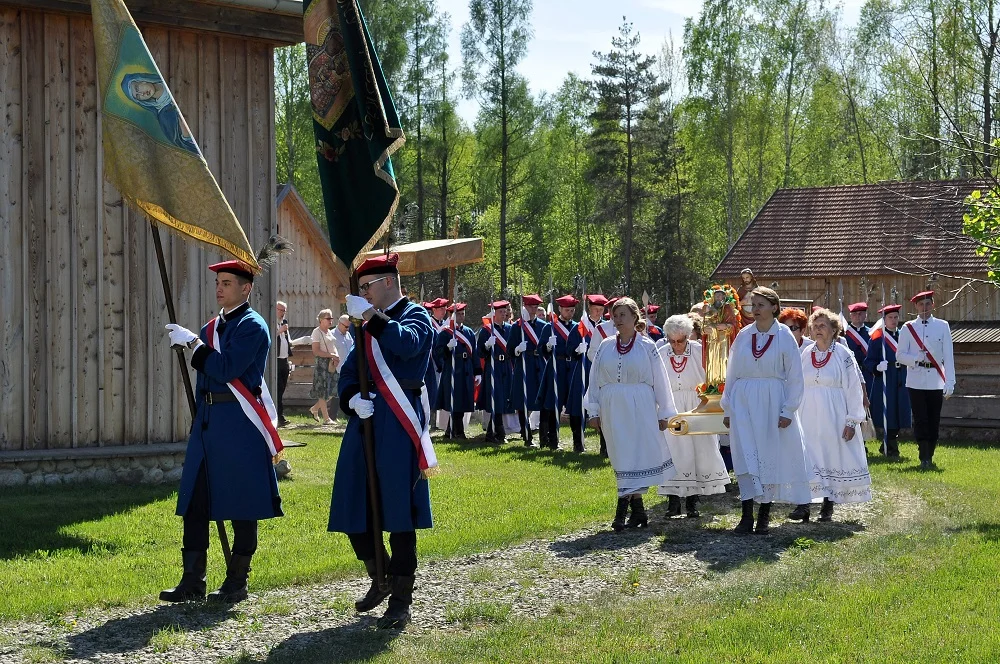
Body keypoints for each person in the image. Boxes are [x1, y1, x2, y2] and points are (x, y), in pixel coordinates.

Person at [161, 260, 283, 604]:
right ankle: (192, 581)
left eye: (227, 283)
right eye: (218, 282)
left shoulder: (253, 326)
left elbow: (226, 367)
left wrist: (195, 346)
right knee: (195, 502)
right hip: (210, 423)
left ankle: (237, 580)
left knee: (242, 502)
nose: (219, 288)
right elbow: (205, 378)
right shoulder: (212, 326)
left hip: (240, 423)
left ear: (246, 288)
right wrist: (198, 419)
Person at [330, 253, 436, 630]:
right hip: (366, 419)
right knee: (352, 500)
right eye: (360, 289)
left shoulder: (416, 314)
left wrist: (372, 318)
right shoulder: (367, 326)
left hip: (398, 421)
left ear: (388, 281)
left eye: (367, 287)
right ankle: (381, 577)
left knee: (398, 512)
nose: (363, 295)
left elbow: (406, 345)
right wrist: (350, 400)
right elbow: (348, 372)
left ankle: (401, 600)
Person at [721, 287, 812, 535]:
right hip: (744, 400)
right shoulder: (743, 335)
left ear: (774, 307)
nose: (755, 309)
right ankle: (746, 514)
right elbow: (732, 372)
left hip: (772, 400)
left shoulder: (784, 335)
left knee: (768, 455)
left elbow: (795, 376)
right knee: (746, 454)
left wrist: (788, 409)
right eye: (753, 304)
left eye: (761, 304)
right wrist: (727, 407)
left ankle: (763, 515)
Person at [585, 297, 677, 530]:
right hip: (612, 408)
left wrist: (664, 412)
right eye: (615, 315)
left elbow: (661, 381)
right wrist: (593, 410)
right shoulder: (605, 345)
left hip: (640, 406)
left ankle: (621, 510)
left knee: (634, 454)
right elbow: (594, 380)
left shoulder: (647, 346)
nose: (618, 320)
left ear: (635, 317)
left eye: (623, 315)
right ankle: (638, 511)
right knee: (620, 455)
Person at [792, 308, 871, 522]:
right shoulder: (806, 354)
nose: (817, 330)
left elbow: (854, 387)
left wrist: (852, 421)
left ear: (833, 329)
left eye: (822, 326)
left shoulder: (843, 354)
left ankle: (828, 503)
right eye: (814, 326)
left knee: (830, 455)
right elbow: (797, 384)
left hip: (834, 414)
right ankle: (804, 504)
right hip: (808, 415)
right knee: (808, 456)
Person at [657, 315, 730, 517]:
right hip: (671, 406)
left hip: (697, 404)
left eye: (680, 340)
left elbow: (714, 375)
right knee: (673, 451)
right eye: (672, 341)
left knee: (699, 449)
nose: (676, 345)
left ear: (688, 336)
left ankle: (692, 501)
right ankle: (673, 501)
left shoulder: (699, 350)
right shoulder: (661, 353)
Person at [895, 291, 955, 469]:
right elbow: (899, 356)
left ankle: (931, 452)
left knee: (933, 418)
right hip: (915, 379)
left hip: (936, 378)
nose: (924, 308)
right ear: (916, 307)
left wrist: (950, 382)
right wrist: (915, 358)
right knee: (920, 418)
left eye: (928, 304)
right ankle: (924, 456)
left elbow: (948, 356)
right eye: (921, 305)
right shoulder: (908, 327)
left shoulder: (942, 326)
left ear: (933, 305)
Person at [538, 295, 587, 452]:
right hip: (556, 367)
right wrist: (547, 346)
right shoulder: (550, 327)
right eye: (567, 310)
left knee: (574, 405)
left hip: (573, 367)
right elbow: (541, 351)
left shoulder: (578, 327)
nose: (570, 313)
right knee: (554, 405)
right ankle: (553, 440)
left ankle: (577, 441)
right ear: (560, 309)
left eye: (572, 310)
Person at [864, 305, 910, 459]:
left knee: (900, 410)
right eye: (890, 318)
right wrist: (877, 367)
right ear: (884, 320)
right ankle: (890, 445)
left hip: (901, 376)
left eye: (896, 317)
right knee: (889, 411)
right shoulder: (878, 338)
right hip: (886, 376)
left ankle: (889, 442)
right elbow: (868, 361)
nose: (893, 320)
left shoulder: (902, 336)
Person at [434, 303, 477, 439]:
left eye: (463, 313)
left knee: (464, 399)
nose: (461, 316)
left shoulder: (469, 332)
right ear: (452, 315)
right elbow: (438, 352)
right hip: (453, 368)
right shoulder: (446, 332)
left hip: (466, 369)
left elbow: (474, 353)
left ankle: (454, 430)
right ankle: (455, 430)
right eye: (458, 313)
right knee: (455, 399)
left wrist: (478, 372)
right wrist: (447, 348)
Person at [509, 295, 546, 446]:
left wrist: (548, 347)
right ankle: (527, 436)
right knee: (523, 401)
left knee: (543, 401)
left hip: (539, 364)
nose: (533, 309)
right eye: (531, 306)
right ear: (525, 306)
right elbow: (510, 350)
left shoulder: (543, 325)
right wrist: (518, 349)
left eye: (536, 306)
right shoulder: (517, 327)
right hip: (524, 364)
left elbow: (545, 348)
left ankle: (545, 437)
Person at [476, 301, 514, 443]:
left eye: (505, 312)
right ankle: (499, 431)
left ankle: (493, 432)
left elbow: (512, 348)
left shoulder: (510, 329)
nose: (504, 314)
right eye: (500, 312)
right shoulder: (486, 330)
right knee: (495, 398)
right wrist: (487, 346)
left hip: (506, 366)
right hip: (493, 365)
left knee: (504, 398)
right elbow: (479, 352)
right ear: (494, 314)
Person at [582, 294, 614, 456]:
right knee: (605, 410)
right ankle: (605, 445)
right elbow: (592, 352)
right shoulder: (602, 329)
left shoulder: (633, 328)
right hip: (606, 375)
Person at [309, 309, 340, 424]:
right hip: (322, 364)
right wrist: (330, 355)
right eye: (328, 318)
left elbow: (333, 346)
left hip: (331, 363)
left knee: (333, 390)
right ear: (321, 320)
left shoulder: (329, 332)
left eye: (331, 318)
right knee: (322, 391)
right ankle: (326, 418)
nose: (330, 321)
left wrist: (336, 357)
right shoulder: (317, 332)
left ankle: (315, 408)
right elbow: (315, 351)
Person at [844, 302, 874, 406]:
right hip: (850, 372)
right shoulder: (844, 333)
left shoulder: (872, 333)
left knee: (869, 402)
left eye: (861, 313)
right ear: (850, 315)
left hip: (867, 373)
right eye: (855, 313)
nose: (858, 316)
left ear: (866, 315)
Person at [328, 314, 355, 421]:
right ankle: (332, 416)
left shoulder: (348, 335)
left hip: (348, 368)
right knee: (335, 393)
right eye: (346, 326)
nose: (347, 329)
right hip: (336, 368)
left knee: (345, 391)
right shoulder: (332, 335)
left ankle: (344, 415)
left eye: (349, 327)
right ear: (339, 323)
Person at [275, 301, 293, 427]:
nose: (282, 313)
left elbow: (287, 340)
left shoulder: (284, 323)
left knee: (282, 389)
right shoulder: (272, 322)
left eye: (284, 311)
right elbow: (269, 337)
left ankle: (279, 415)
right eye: (281, 310)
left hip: (284, 359)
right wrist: (279, 331)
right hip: (275, 360)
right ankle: (278, 416)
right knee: (277, 388)